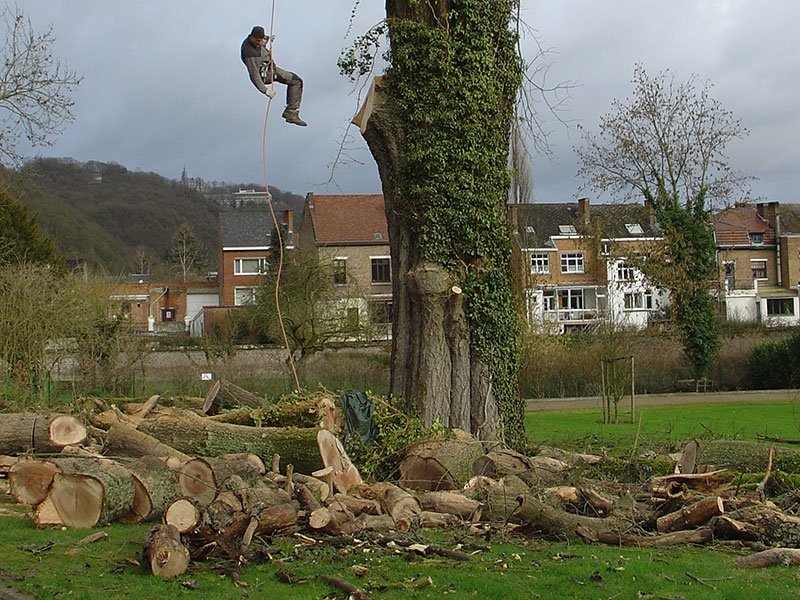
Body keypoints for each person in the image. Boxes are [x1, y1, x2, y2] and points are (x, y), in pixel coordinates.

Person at [241, 25, 306, 127]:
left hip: (271, 68)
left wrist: (267, 39)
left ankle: (291, 112)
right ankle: (291, 113)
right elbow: (254, 75)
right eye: (257, 41)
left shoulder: (258, 42)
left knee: (297, 80)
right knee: (295, 81)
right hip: (265, 75)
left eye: (260, 40)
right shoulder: (250, 53)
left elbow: (262, 43)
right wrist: (265, 91)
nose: (259, 43)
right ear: (251, 37)